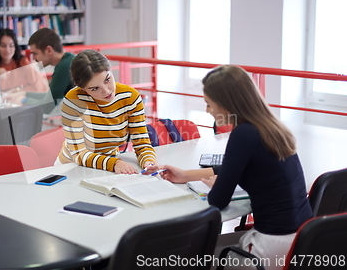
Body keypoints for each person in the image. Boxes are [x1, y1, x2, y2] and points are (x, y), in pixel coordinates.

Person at [161, 65, 313, 269]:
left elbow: (218, 201)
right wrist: (187, 175)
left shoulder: (243, 134)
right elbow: (237, 167)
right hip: (302, 239)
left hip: (270, 246)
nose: (208, 111)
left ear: (226, 104)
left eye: (209, 104)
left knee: (192, 256)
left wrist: (219, 185)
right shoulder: (271, 126)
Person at [56, 50, 158, 174]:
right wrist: (114, 164)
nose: (106, 91)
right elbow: (79, 154)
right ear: (83, 89)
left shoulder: (130, 97)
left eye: (107, 79)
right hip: (71, 168)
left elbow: (142, 143)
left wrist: (149, 162)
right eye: (94, 88)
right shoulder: (72, 101)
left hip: (108, 166)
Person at [3, 28, 75, 114]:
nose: (33, 58)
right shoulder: (69, 60)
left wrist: (22, 100)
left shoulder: (63, 67)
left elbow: (47, 106)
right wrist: (24, 93)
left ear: (49, 50)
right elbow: (49, 97)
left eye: (35, 53)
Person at [0, 28, 48, 93]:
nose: (7, 50)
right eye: (3, 46)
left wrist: (19, 91)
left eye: (11, 46)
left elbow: (41, 87)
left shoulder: (22, 62)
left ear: (15, 47)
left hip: (18, 101)